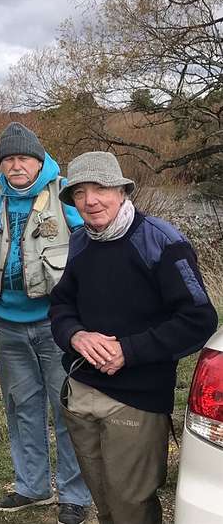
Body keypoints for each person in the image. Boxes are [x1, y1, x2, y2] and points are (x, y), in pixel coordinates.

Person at [51, 151, 217, 524]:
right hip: (81, 391)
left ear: (122, 191)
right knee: (105, 501)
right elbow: (60, 306)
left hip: (138, 399)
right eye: (79, 192)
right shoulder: (80, 242)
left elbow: (199, 319)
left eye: (100, 188)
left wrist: (129, 350)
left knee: (132, 506)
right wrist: (76, 336)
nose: (90, 200)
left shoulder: (162, 241)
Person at [0, 122, 91, 524]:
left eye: (23, 158)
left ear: (39, 160)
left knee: (68, 408)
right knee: (22, 407)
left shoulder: (67, 193)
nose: (15, 165)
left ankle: (74, 493)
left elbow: (93, 248)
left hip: (58, 325)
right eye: (7, 159)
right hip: (6, 324)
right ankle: (32, 486)